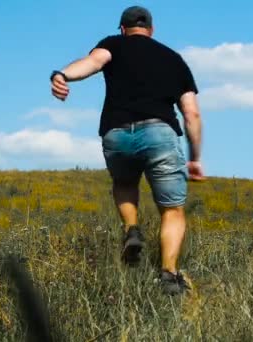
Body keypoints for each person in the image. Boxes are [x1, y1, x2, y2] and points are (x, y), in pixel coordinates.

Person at [49, 6, 204, 295]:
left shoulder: (112, 44)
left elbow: (92, 62)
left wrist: (62, 75)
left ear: (122, 28)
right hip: (160, 133)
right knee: (172, 210)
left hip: (116, 133)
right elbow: (191, 113)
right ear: (152, 30)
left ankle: (131, 229)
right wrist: (195, 158)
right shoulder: (174, 59)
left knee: (123, 183)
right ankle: (169, 274)